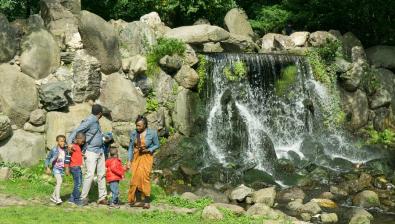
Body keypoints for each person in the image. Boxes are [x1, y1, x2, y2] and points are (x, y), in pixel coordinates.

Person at [67, 104, 107, 205]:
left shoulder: (96, 121)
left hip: (100, 151)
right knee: (89, 174)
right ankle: (83, 197)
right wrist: (69, 143)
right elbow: (77, 130)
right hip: (91, 151)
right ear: (100, 113)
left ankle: (102, 197)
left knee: (101, 174)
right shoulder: (90, 120)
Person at [127, 115, 160, 209]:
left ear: (145, 125)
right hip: (136, 157)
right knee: (135, 177)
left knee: (145, 177)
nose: (137, 127)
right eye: (136, 125)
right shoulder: (134, 133)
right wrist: (129, 160)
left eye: (139, 126)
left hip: (147, 157)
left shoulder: (152, 133)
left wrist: (149, 150)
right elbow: (130, 148)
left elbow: (157, 145)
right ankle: (136, 200)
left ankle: (146, 201)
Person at [44, 135, 67, 205]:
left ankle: (53, 196)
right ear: (57, 142)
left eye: (64, 141)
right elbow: (47, 158)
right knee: (59, 182)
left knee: (59, 183)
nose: (63, 143)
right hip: (55, 168)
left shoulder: (66, 149)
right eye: (61, 141)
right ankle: (58, 198)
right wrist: (47, 167)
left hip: (62, 169)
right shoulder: (54, 150)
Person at [65, 132, 86, 206]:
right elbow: (67, 156)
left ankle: (72, 199)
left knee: (78, 183)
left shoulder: (77, 146)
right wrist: (66, 167)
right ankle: (76, 200)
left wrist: (81, 154)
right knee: (78, 184)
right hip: (74, 167)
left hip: (78, 167)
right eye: (82, 140)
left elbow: (75, 154)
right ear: (78, 139)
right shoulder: (72, 146)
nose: (83, 142)